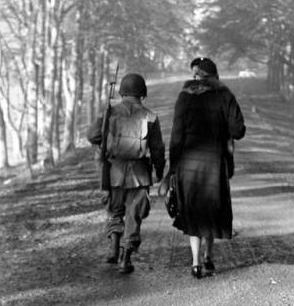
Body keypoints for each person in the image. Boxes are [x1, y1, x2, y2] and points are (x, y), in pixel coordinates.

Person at [169, 57, 246, 278]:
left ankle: (195, 263)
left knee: (194, 210)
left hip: (188, 164)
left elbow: (176, 136)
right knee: (211, 208)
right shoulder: (225, 95)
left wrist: (172, 169)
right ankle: (208, 257)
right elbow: (238, 130)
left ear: (195, 75)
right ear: (214, 76)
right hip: (215, 163)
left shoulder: (184, 97)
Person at [88, 73, 165, 274]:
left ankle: (113, 249)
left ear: (122, 92)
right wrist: (159, 170)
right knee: (134, 215)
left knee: (115, 211)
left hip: (113, 171)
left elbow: (92, 136)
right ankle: (126, 259)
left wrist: (103, 136)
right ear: (143, 94)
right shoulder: (150, 116)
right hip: (140, 174)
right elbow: (157, 148)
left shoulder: (110, 112)